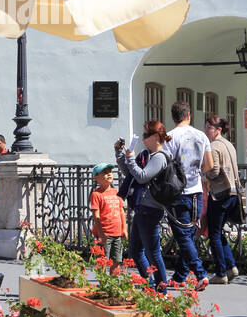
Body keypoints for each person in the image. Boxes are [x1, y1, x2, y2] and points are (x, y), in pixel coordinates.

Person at [114, 121, 173, 292]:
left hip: (151, 209)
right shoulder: (146, 154)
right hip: (141, 207)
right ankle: (150, 285)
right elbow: (130, 172)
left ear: (156, 137)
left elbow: (142, 177)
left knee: (153, 252)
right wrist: (120, 153)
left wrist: (131, 158)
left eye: (146, 135)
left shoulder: (160, 157)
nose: (144, 138)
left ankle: (162, 292)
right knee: (135, 251)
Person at [166, 100, 213, 290]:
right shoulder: (201, 136)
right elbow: (209, 166)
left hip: (177, 192)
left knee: (182, 236)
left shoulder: (170, 137)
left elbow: (166, 165)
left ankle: (200, 274)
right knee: (189, 235)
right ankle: (179, 276)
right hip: (196, 190)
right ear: (188, 115)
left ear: (173, 117)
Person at [202, 114, 242, 284]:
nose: (206, 130)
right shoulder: (229, 144)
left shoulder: (215, 146)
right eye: (205, 126)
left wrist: (204, 175)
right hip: (233, 193)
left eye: (209, 127)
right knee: (218, 232)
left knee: (214, 234)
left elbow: (214, 170)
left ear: (218, 130)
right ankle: (231, 267)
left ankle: (220, 273)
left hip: (219, 194)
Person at [89, 162, 127, 263]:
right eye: (105, 172)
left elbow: (121, 211)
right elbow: (96, 216)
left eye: (110, 172)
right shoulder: (96, 194)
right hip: (104, 233)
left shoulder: (117, 192)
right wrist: (101, 234)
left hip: (117, 233)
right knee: (102, 261)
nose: (109, 174)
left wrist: (124, 229)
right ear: (96, 177)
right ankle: (103, 279)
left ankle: (112, 278)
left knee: (117, 260)